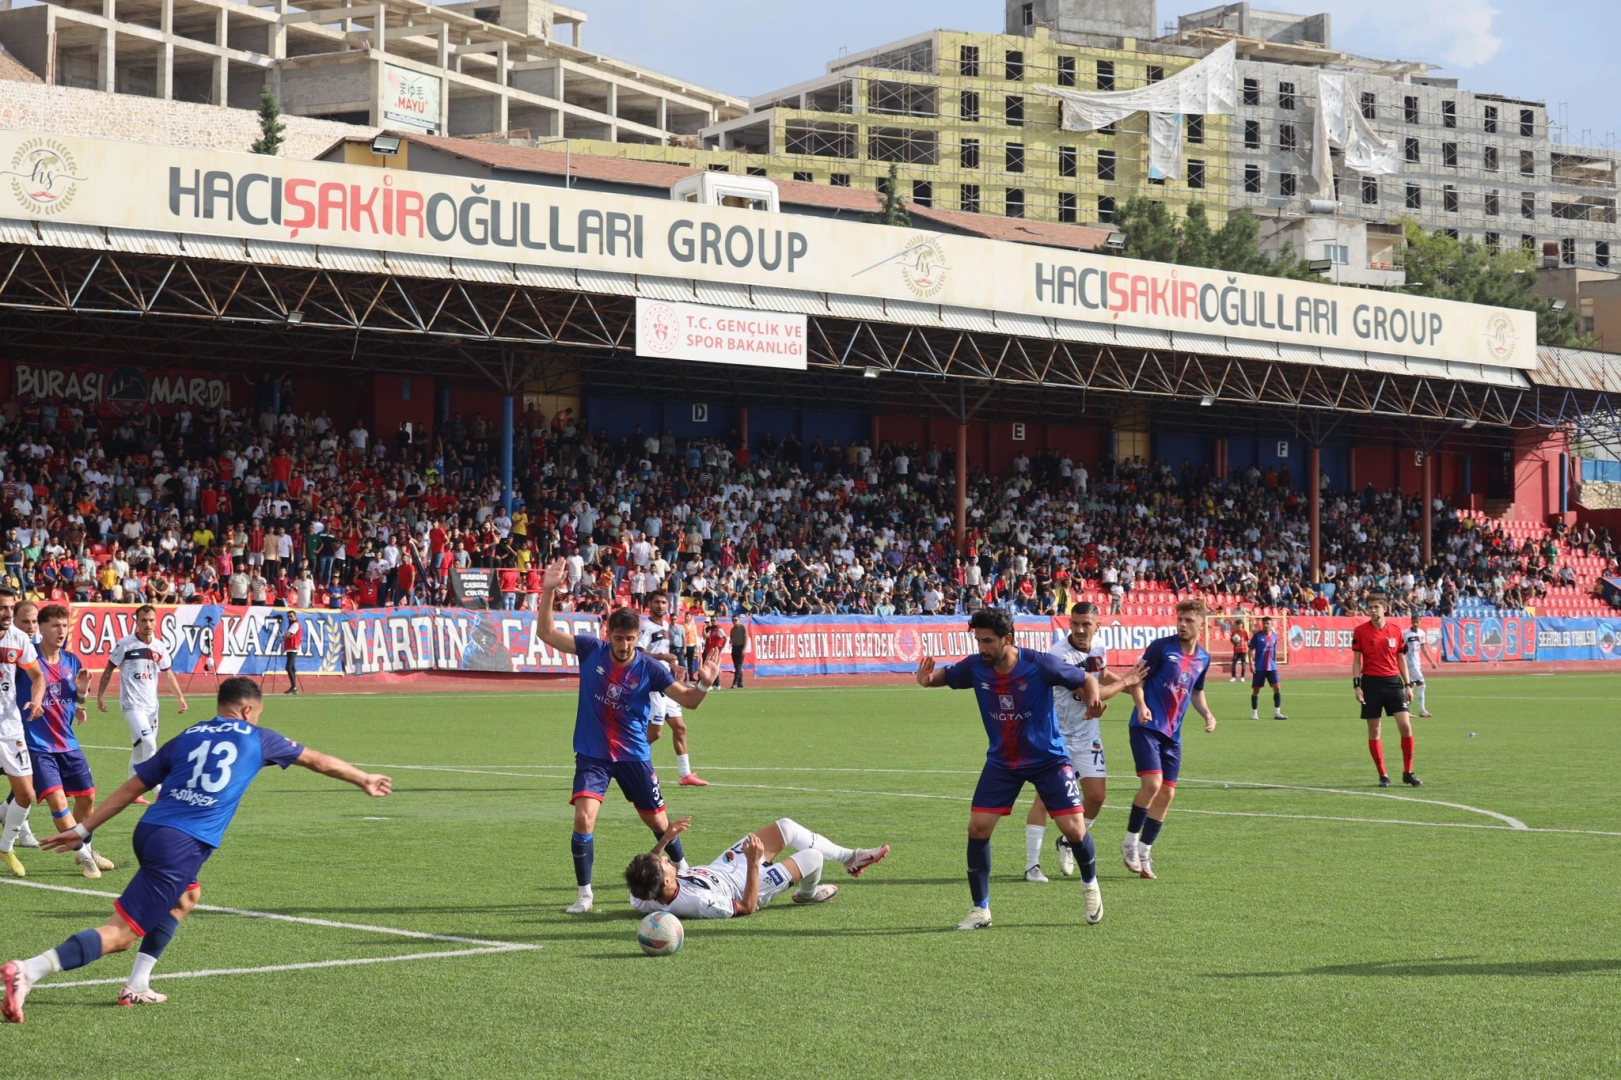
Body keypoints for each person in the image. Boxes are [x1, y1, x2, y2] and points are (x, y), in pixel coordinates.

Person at [1, 677, 391, 1020]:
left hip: (151, 829)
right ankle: (30, 970)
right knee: (120, 935)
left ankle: (137, 984)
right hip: (181, 843)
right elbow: (317, 761)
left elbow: (132, 788)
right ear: (248, 709)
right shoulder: (258, 737)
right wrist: (363, 778)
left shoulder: (187, 736)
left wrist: (85, 828)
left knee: (187, 896)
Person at [534, 559, 721, 915]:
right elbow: (546, 634)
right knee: (583, 819)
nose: (623, 645)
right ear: (608, 635)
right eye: (618, 638)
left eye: (630, 639)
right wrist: (548, 590)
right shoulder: (592, 650)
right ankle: (585, 895)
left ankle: (684, 870)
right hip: (593, 755)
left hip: (634, 755)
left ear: (638, 638)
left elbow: (691, 701)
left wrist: (705, 683)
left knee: (658, 823)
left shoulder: (650, 667)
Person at [914, 608, 1110, 931]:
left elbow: (1086, 679)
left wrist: (1092, 702)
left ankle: (1090, 883)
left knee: (1074, 830)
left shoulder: (1039, 664)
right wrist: (926, 680)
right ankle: (981, 910)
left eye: (988, 641)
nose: (981, 647)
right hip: (1003, 762)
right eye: (978, 640)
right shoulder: (977, 666)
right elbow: (945, 677)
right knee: (977, 828)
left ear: (1008, 638)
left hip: (1048, 759)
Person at [1023, 602, 1136, 882]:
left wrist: (1129, 684)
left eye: (1086, 623)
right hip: (1056, 736)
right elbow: (1090, 694)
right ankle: (1031, 866)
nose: (1080, 629)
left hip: (1087, 735)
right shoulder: (1059, 655)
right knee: (1045, 799)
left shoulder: (1097, 648)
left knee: (1097, 797)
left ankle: (1067, 841)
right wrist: (1126, 683)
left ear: (1098, 625)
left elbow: (1102, 674)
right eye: (1075, 623)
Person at [625, 814, 890, 919]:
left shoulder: (642, 895)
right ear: (668, 883)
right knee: (813, 858)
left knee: (785, 826)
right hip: (747, 885)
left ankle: (850, 858)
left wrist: (665, 839)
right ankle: (808, 895)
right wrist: (754, 863)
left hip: (723, 866)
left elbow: (648, 873)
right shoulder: (697, 902)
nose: (667, 859)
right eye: (666, 863)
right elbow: (746, 907)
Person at [1121, 599, 1218, 882]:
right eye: (1180, 619)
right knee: (1152, 783)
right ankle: (1129, 841)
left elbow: (1196, 691)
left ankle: (1145, 849)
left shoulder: (1204, 658)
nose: (1183, 624)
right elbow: (1135, 679)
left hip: (1172, 735)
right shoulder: (1161, 647)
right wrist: (1141, 706)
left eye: (1189, 620)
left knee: (1168, 793)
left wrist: (1208, 715)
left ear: (1201, 624)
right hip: (1146, 726)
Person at [15, 603, 114, 879]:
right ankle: (84, 857)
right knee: (58, 801)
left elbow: (74, 697)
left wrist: (82, 695)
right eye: (55, 625)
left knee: (88, 798)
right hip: (37, 744)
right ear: (41, 628)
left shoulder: (72, 660)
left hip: (68, 743)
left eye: (65, 625)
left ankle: (87, 848)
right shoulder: (27, 659)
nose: (62, 631)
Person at [97, 605, 189, 804]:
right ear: (136, 622)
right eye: (143, 620)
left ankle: (133, 791)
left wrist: (180, 698)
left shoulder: (159, 646)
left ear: (156, 622)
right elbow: (108, 670)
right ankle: (157, 787)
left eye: (151, 620)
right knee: (149, 744)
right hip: (132, 705)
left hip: (152, 706)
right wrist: (100, 695)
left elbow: (168, 674)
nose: (148, 624)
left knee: (139, 748)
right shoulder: (125, 644)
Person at [0, 587, 46, 878]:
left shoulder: (18, 640)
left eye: (9, 608)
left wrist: (37, 699)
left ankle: (6, 848)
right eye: (2, 608)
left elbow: (37, 675)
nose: (6, 614)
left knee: (26, 794)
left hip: (9, 726)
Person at [1352, 595, 1421, 788]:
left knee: (1405, 725)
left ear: (1385, 608)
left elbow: (1401, 660)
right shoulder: (1360, 631)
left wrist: (1408, 684)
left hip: (1393, 683)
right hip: (1370, 684)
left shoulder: (1396, 631)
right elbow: (1357, 660)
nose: (1373, 611)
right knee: (1374, 730)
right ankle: (1383, 775)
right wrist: (1357, 685)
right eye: (1370, 608)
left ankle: (1408, 771)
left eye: (1376, 607)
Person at [640, 591, 706, 787]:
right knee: (654, 733)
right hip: (654, 685)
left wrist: (674, 667)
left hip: (667, 683)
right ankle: (623, 761)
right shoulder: (647, 627)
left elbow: (664, 656)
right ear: (649, 604)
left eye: (663, 602)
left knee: (680, 727)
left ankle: (685, 775)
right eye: (657, 602)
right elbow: (638, 652)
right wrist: (662, 658)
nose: (661, 606)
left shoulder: (667, 627)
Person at [1248, 615, 1287, 721]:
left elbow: (1274, 651)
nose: (1265, 625)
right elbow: (1250, 650)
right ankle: (1254, 713)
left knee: (1277, 688)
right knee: (1256, 690)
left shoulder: (1274, 636)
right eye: (1264, 623)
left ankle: (1277, 713)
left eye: (1267, 623)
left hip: (1272, 667)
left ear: (1271, 624)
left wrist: (1273, 662)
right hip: (1259, 667)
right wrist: (1251, 664)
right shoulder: (1257, 636)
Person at [1402, 614, 1438, 719]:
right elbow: (1401, 649)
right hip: (1410, 663)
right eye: (1414, 621)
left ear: (1420, 622)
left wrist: (1431, 661)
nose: (1416, 623)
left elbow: (1424, 649)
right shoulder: (1406, 633)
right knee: (1422, 684)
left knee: (1410, 686)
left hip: (1417, 663)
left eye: (1418, 621)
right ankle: (1422, 710)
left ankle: (1405, 710)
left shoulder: (1422, 633)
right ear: (1411, 622)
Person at [279, 613, 302, 696]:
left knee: (288, 667)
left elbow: (289, 634)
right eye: (288, 616)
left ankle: (294, 687)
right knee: (291, 668)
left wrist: (284, 636)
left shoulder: (295, 624)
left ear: (295, 616)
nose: (289, 618)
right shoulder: (293, 624)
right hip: (290, 648)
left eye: (291, 616)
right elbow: (288, 635)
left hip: (293, 647)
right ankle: (293, 687)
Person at [728, 617, 749, 688]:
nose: (734, 621)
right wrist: (730, 641)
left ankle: (735, 682)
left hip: (740, 647)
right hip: (734, 648)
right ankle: (740, 682)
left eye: (735, 620)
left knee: (738, 666)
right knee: (737, 666)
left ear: (738, 620)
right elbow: (731, 638)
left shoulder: (742, 627)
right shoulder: (732, 630)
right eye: (733, 620)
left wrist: (744, 648)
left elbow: (746, 638)